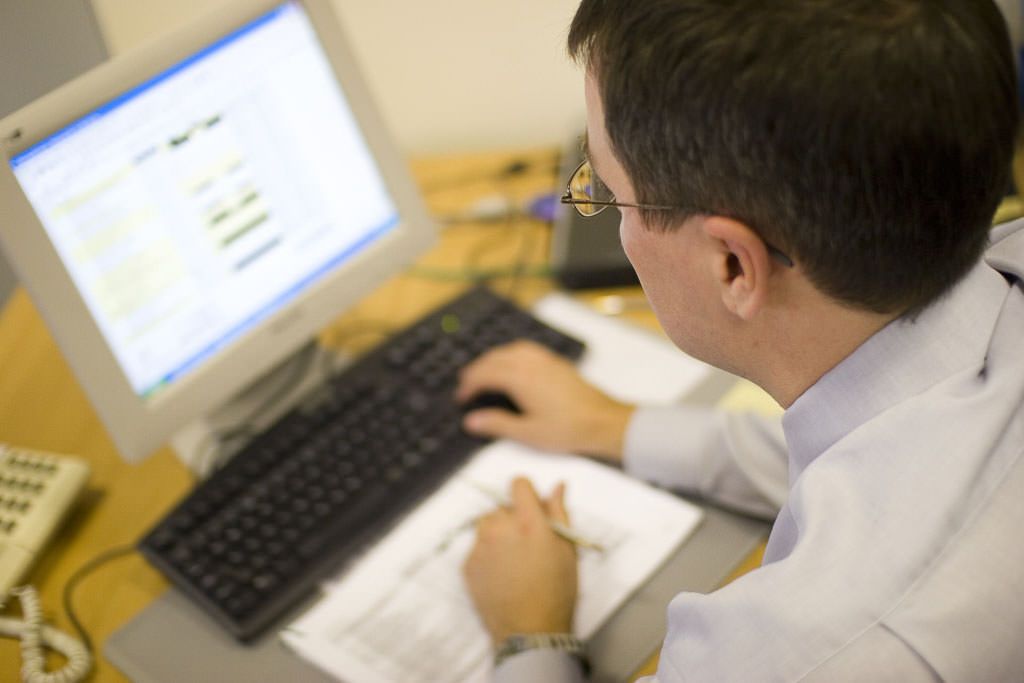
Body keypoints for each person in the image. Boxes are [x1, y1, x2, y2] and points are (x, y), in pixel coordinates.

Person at [454, 0, 1024, 680]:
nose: (604, 212)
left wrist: (530, 635)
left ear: (732, 264)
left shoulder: (815, 652)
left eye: (605, 190)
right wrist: (618, 426)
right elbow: (884, 450)